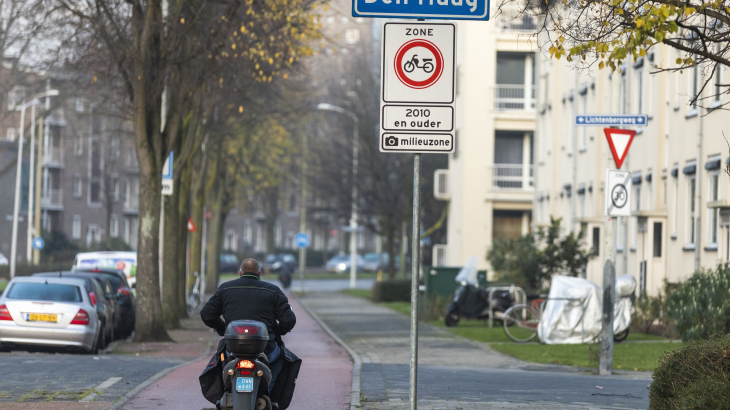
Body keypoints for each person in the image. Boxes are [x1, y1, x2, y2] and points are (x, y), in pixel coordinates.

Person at [200, 258, 297, 398]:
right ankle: (269, 393)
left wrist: (223, 329)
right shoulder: (273, 291)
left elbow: (206, 314)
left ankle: (226, 391)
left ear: (240, 273)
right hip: (266, 348)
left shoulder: (225, 289)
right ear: (260, 273)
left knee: (220, 359)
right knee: (280, 359)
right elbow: (289, 319)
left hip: (232, 347)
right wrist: (278, 332)